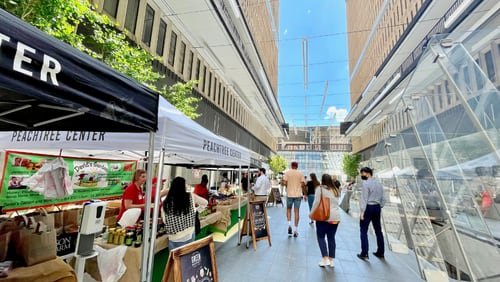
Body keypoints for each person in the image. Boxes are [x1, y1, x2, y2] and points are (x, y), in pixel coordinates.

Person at [163, 177, 207, 250]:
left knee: (175, 260)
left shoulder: (166, 202)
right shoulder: (190, 196)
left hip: (174, 237)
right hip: (189, 234)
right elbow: (205, 203)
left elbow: (165, 220)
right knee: (188, 258)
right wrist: (196, 211)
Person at [310, 174, 341, 267]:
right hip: (336, 217)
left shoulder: (320, 189)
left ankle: (325, 258)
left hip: (324, 217)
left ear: (322, 180)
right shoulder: (335, 189)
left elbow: (316, 202)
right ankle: (331, 260)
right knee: (331, 238)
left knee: (321, 237)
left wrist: (311, 213)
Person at [357, 167, 386, 260]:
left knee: (363, 230)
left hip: (368, 208)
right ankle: (381, 252)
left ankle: (364, 253)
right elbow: (384, 198)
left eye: (362, 174)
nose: (362, 176)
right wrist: (380, 206)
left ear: (368, 173)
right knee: (378, 230)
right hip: (377, 208)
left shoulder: (366, 184)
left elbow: (364, 199)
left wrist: (362, 212)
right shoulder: (379, 183)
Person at [282, 161, 306, 237]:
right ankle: (296, 230)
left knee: (288, 209)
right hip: (298, 195)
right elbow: (303, 184)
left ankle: (289, 225)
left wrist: (287, 186)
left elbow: (284, 183)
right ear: (297, 166)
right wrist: (305, 194)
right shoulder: (300, 173)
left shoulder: (287, 173)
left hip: (289, 194)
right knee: (297, 212)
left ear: (291, 166)